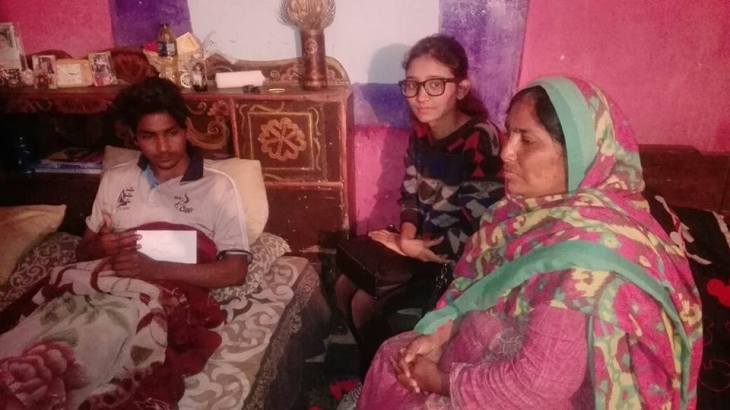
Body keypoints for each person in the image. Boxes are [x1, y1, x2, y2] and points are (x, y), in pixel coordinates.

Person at [357, 76, 703, 409]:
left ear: (579, 153)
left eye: (527, 140)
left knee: (395, 373)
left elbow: (536, 388)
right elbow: (481, 289)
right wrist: (439, 336)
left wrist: (441, 382)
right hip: (488, 349)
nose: (506, 152)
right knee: (393, 354)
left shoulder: (586, 267)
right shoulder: (524, 216)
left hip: (521, 394)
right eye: (509, 133)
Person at [334, 34, 504, 384]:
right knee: (343, 286)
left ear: (460, 88)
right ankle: (376, 375)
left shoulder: (480, 137)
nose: (421, 96)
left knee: (363, 303)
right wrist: (407, 235)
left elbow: (475, 231)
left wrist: (407, 246)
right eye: (412, 85)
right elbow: (410, 193)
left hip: (459, 262)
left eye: (434, 84)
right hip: (420, 247)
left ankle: (388, 381)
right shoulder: (421, 131)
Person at [77, 76, 251, 287]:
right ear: (134, 137)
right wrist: (99, 247)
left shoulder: (218, 186)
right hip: (111, 288)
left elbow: (236, 271)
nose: (163, 148)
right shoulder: (115, 179)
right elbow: (82, 253)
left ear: (186, 129)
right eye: (149, 136)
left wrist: (155, 270)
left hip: (172, 295)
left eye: (171, 133)